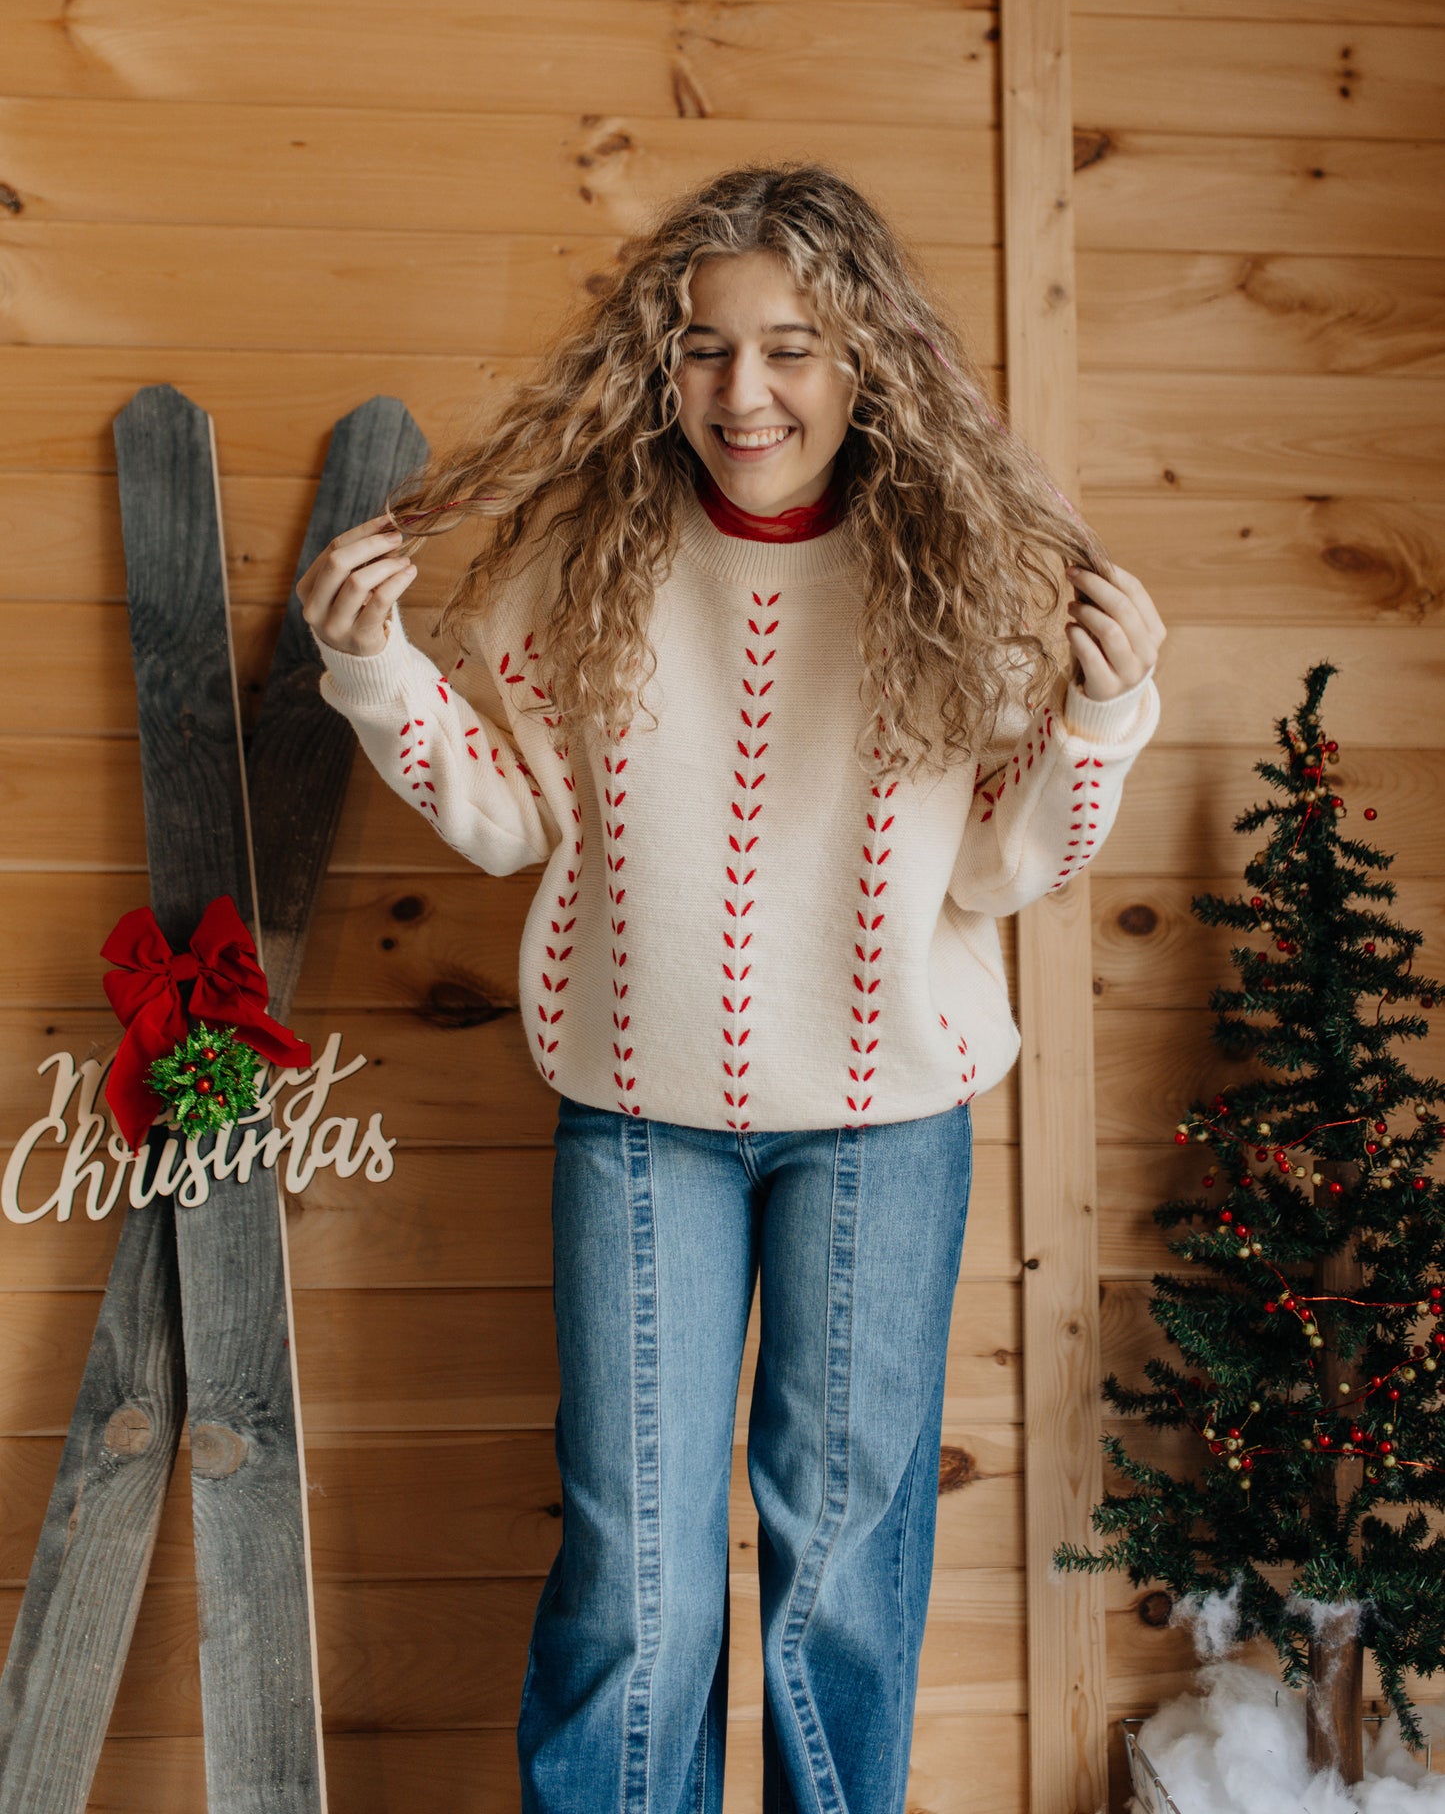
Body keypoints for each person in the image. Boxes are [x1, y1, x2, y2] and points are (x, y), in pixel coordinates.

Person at [295, 162, 1165, 1813]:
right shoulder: (580, 572)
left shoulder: (969, 581)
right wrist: (371, 670)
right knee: (634, 1569)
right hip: (639, 1118)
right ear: (657, 364)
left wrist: (1098, 722)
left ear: (865, 363)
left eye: (788, 347)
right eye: (701, 348)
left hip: (881, 1127)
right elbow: (501, 821)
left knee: (837, 1569)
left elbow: (998, 866)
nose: (742, 391)